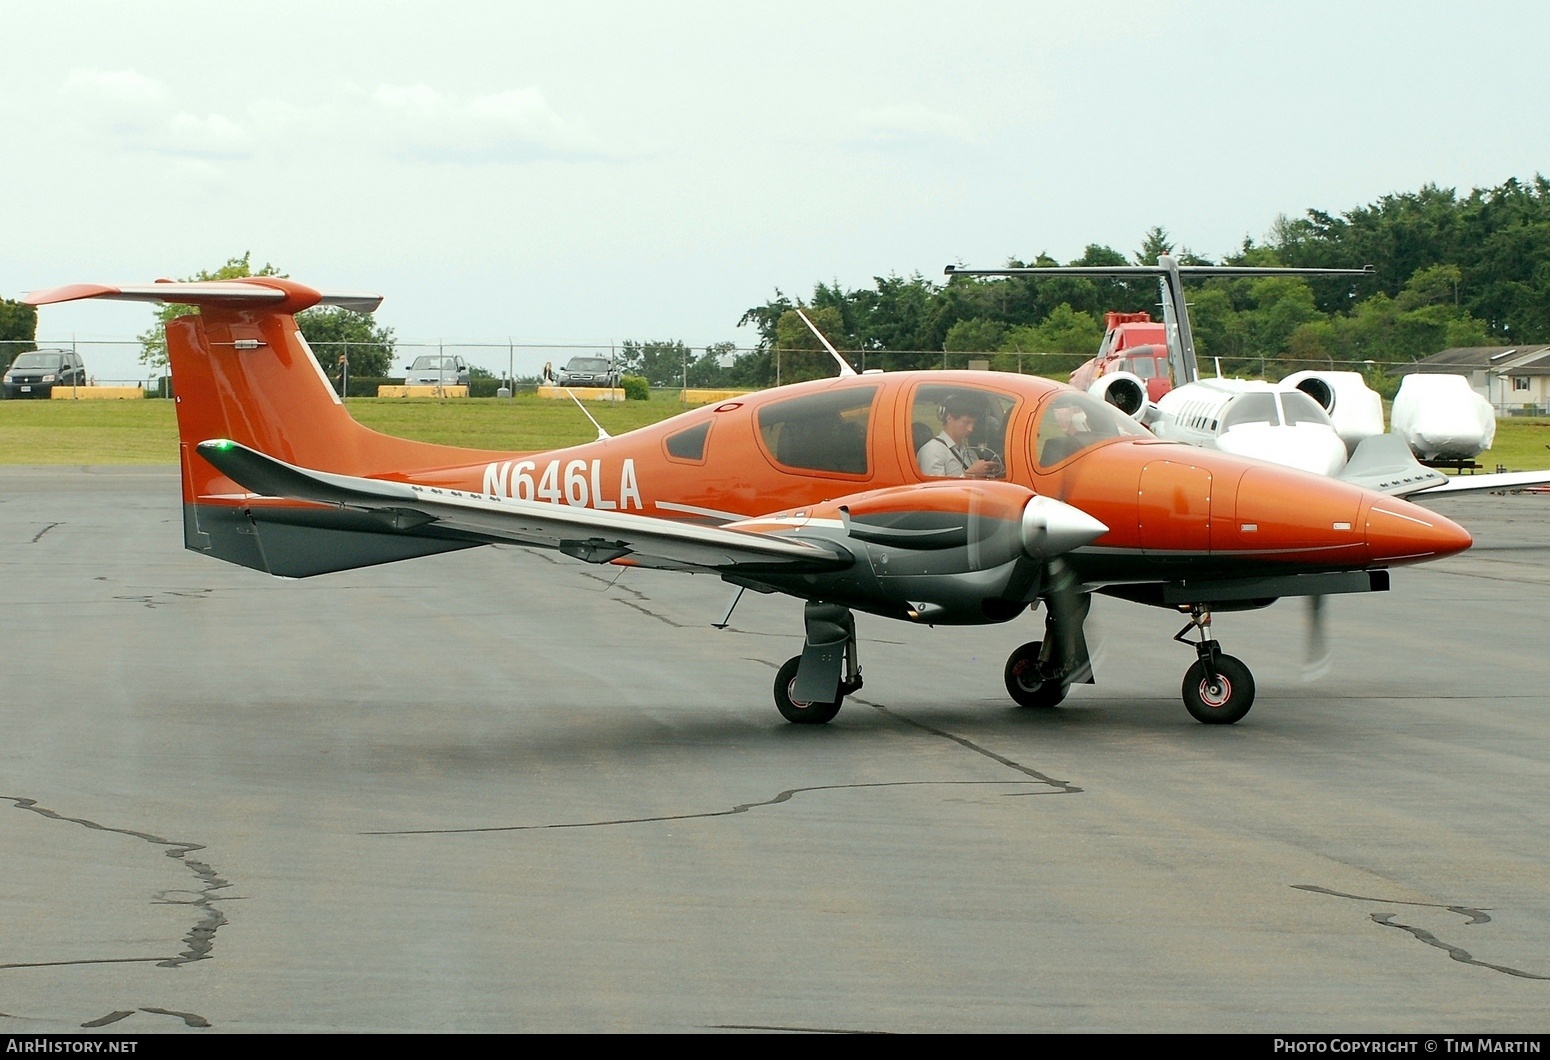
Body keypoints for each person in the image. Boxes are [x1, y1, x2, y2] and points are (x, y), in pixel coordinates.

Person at [917, 394, 1002, 478]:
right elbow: (934, 489)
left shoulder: (969, 452)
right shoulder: (932, 451)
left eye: (973, 423)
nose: (970, 429)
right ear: (949, 418)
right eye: (966, 422)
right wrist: (969, 474)